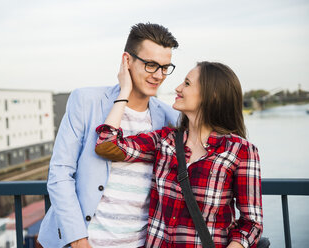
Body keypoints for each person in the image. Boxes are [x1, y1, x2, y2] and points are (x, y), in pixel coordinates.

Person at [37, 23, 179, 248]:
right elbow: (60, 172)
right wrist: (77, 239)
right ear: (127, 61)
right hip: (84, 242)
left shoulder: (169, 116)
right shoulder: (86, 101)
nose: (159, 75)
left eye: (165, 67)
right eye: (151, 65)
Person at [95, 59, 263, 248]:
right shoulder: (165, 141)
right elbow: (107, 144)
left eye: (187, 83)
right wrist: (124, 90)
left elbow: (252, 223)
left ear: (212, 96)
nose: (177, 88)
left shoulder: (241, 151)